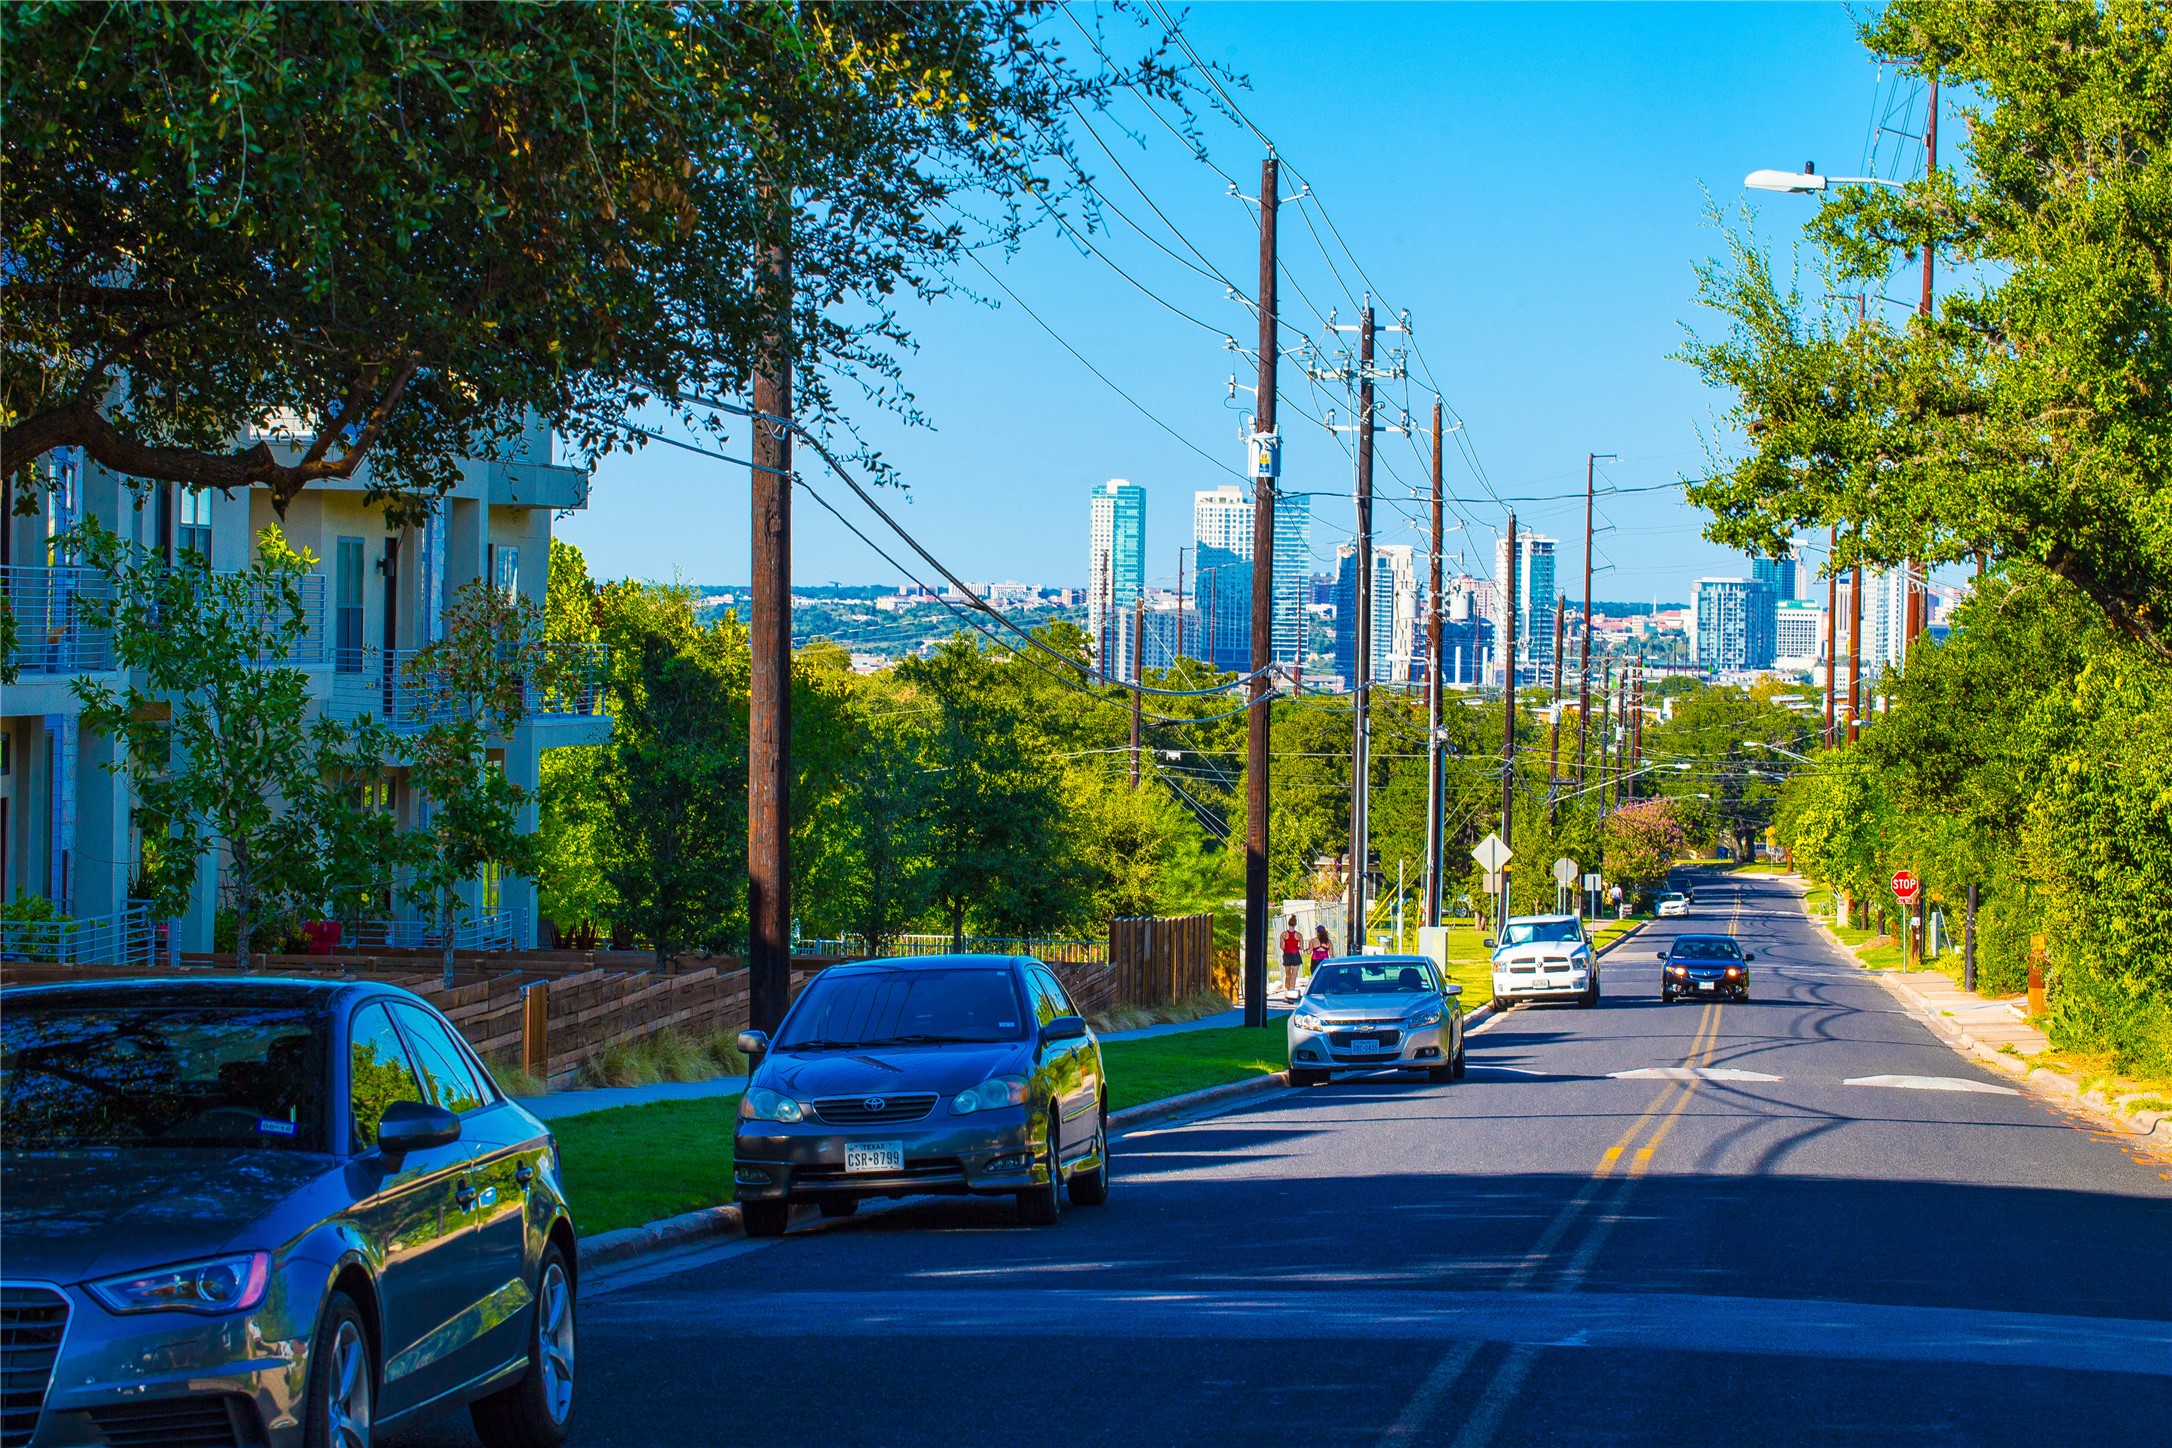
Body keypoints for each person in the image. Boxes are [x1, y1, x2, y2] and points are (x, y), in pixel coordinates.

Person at [1279, 916, 1304, 997]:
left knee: (1287, 974)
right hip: (1295, 954)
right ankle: (1291, 990)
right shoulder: (1299, 935)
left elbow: (1282, 946)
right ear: (1295, 924)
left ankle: (1286, 992)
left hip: (1286, 955)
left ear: (1288, 923)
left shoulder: (1283, 934)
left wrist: (1286, 949)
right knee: (1294, 974)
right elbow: (1301, 947)